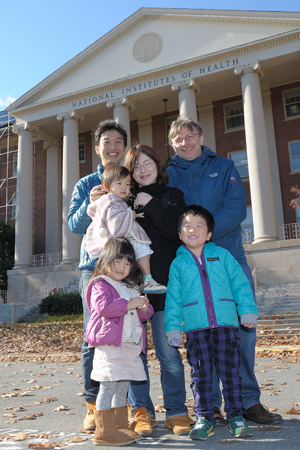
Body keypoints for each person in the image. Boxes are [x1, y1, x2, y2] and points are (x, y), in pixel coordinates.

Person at [167, 116, 282, 425]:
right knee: (204, 334)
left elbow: (235, 208)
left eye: (190, 135)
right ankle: (213, 406)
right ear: (172, 144)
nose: (185, 142)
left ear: (201, 138)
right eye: (179, 138)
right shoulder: (168, 176)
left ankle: (248, 401)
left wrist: (204, 235)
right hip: (190, 265)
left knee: (243, 333)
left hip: (228, 257)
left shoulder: (224, 167)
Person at [165, 205, 258, 440]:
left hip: (226, 326)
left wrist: (247, 311)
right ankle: (204, 416)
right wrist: (173, 327)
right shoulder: (178, 264)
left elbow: (240, 285)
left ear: (208, 234)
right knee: (201, 375)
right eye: (187, 226)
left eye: (199, 226)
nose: (192, 230)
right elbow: (173, 299)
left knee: (231, 374)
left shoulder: (222, 255)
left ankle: (236, 415)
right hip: (196, 330)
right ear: (180, 234)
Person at [124, 144, 194, 436]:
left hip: (165, 289)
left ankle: (177, 411)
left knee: (169, 355)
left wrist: (149, 204)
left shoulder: (172, 196)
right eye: (136, 166)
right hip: (133, 291)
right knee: (133, 355)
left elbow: (174, 232)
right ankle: (142, 412)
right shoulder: (124, 202)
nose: (143, 169)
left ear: (156, 164)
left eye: (147, 163)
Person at [68, 119, 127, 430]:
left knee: (128, 337)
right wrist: (88, 205)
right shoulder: (85, 183)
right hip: (93, 267)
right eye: (107, 142)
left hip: (126, 268)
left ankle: (124, 405)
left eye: (118, 141)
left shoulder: (130, 182)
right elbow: (73, 225)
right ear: (97, 148)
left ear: (124, 147)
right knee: (93, 337)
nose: (113, 146)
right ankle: (92, 405)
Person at [85, 236, 154, 446]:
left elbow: (144, 315)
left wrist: (143, 307)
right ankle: (104, 431)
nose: (122, 267)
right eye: (118, 261)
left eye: (127, 263)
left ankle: (119, 425)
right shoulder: (99, 284)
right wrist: (129, 303)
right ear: (105, 260)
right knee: (108, 386)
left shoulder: (131, 287)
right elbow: (104, 307)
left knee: (123, 386)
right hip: (110, 345)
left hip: (129, 346)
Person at [85, 163, 167, 294]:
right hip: (119, 241)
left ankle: (138, 282)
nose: (124, 187)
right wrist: (130, 214)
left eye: (127, 184)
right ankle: (147, 280)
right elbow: (116, 228)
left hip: (120, 241)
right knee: (144, 251)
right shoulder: (112, 203)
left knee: (136, 256)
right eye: (119, 183)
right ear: (107, 187)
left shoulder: (112, 202)